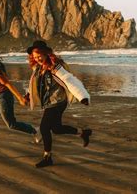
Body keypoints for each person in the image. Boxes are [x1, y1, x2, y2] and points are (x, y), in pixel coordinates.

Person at [25, 40, 92, 168]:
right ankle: (83, 133)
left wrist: (82, 96)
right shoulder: (38, 68)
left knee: (44, 128)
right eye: (34, 56)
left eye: (39, 55)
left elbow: (70, 80)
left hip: (58, 101)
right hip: (48, 102)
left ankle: (47, 157)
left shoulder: (56, 66)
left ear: (45, 53)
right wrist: (29, 95)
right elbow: (35, 84)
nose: (37, 58)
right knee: (56, 128)